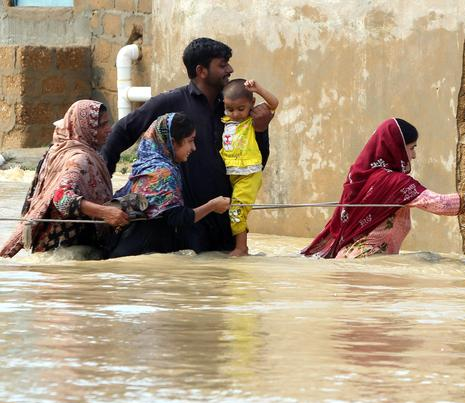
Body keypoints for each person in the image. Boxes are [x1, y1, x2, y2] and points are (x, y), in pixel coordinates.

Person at [101, 37, 273, 253]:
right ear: (201, 70)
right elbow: (123, 131)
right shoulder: (171, 102)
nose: (230, 69)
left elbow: (257, 162)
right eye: (222, 65)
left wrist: (261, 130)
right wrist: (102, 182)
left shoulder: (234, 108)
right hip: (184, 224)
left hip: (224, 222)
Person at [301, 118, 465, 259]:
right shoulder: (395, 182)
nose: (414, 156)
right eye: (412, 148)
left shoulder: (362, 175)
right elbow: (442, 205)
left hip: (350, 260)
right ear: (395, 148)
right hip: (367, 265)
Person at [0, 100, 129, 258]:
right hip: (69, 253)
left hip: (50, 252)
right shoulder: (79, 159)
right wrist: (105, 212)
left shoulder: (58, 150)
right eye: (102, 125)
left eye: (108, 123)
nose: (109, 130)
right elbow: (61, 198)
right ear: (85, 128)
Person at [109, 113, 230, 258]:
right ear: (172, 142)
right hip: (141, 255)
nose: (194, 147)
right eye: (190, 141)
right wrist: (212, 205)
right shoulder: (160, 173)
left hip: (142, 253)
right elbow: (178, 218)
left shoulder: (150, 166)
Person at [221, 79, 279, 256]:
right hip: (232, 172)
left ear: (251, 104)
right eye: (230, 109)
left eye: (241, 109)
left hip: (249, 173)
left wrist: (258, 89)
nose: (236, 114)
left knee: (237, 210)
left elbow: (274, 104)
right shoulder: (225, 121)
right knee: (238, 210)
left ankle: (241, 248)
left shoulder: (251, 121)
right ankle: (240, 245)